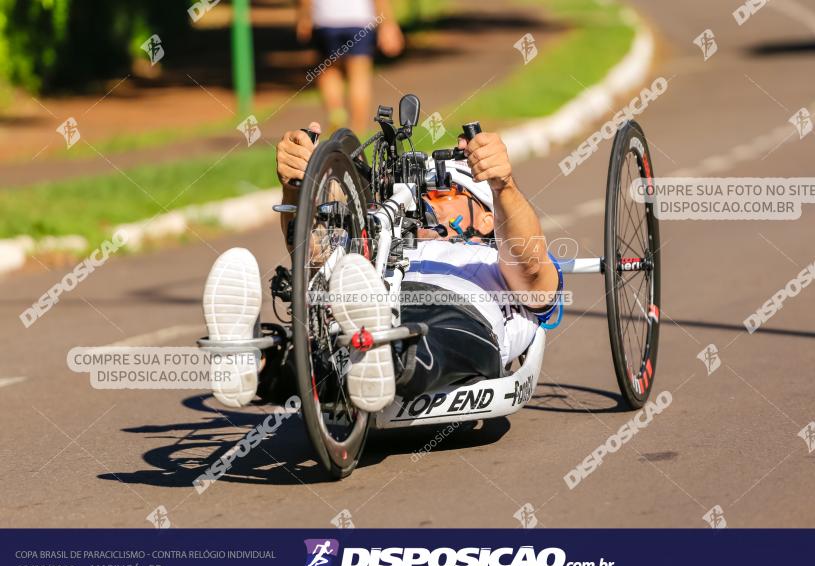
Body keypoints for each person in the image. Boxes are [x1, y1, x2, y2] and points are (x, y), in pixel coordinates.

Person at [201, 122, 559, 411]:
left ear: (484, 217)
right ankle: (256, 359)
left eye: (440, 194)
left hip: (459, 315)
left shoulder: (491, 260)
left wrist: (502, 186)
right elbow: (311, 256)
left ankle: (380, 353)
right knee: (325, 321)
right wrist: (300, 186)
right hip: (365, 299)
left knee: (427, 335)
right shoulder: (374, 248)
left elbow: (532, 275)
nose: (419, 207)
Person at [297, 0, 404, 134]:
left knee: (329, 70)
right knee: (359, 74)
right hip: (359, 19)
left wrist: (304, 16)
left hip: (326, 19)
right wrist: (388, 24)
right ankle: (357, 129)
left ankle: (336, 114)